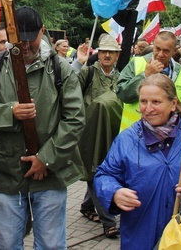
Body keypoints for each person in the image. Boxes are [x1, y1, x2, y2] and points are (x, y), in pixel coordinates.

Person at [0, 7, 86, 250]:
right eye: (18, 39)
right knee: (7, 245)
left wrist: (46, 158)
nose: (24, 45)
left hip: (50, 175)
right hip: (7, 173)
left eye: (30, 38)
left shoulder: (60, 67)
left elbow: (75, 119)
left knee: (51, 245)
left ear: (42, 31)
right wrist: (10, 111)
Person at [95, 74, 181, 250]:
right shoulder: (126, 140)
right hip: (140, 235)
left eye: (156, 102)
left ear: (173, 103)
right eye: (143, 101)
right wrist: (114, 192)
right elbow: (105, 175)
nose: (148, 108)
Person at [73, 34, 122, 239]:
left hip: (113, 132)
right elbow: (70, 88)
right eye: (103, 51)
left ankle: (87, 206)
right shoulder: (88, 72)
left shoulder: (121, 77)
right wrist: (78, 63)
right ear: (98, 54)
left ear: (118, 56)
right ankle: (108, 221)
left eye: (111, 52)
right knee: (95, 171)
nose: (107, 55)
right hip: (89, 131)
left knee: (101, 169)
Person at [117, 30, 181, 131]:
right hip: (135, 134)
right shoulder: (137, 63)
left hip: (170, 135)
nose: (160, 54)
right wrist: (145, 75)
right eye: (157, 49)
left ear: (174, 51)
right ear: (153, 45)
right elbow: (122, 93)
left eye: (166, 51)